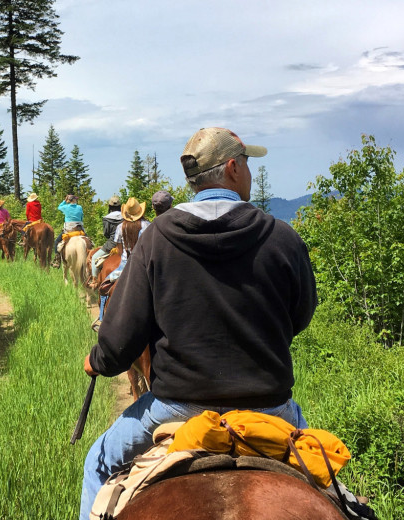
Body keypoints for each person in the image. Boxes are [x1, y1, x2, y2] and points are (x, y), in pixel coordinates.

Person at [78, 127, 317, 520]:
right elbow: (301, 314)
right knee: (328, 476)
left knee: (98, 464)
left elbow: (122, 337)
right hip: (270, 408)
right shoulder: (282, 237)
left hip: (177, 407)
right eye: (248, 164)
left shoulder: (158, 238)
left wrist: (98, 361)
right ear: (233, 168)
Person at [90, 197, 150, 332]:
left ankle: (101, 319)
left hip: (125, 266)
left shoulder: (120, 227)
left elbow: (119, 249)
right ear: (140, 211)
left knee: (104, 287)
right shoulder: (147, 225)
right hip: (144, 265)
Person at [88, 196, 122, 288]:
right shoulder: (125, 216)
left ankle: (94, 281)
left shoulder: (107, 218)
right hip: (123, 245)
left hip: (110, 245)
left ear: (110, 207)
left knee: (95, 258)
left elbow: (106, 233)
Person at [51, 194, 85, 268]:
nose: (76, 200)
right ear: (73, 200)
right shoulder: (79, 207)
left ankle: (57, 261)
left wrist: (65, 201)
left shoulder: (65, 207)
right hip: (79, 229)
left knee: (56, 242)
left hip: (69, 230)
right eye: (75, 199)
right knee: (89, 242)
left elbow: (59, 207)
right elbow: (82, 217)